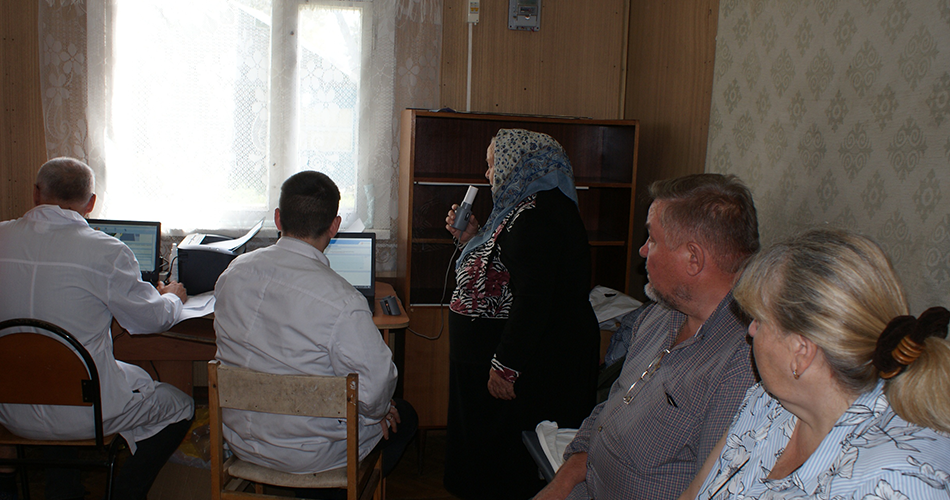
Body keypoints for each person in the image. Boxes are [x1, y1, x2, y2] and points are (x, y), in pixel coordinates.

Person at [534, 173, 760, 500]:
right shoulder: (659, 315)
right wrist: (564, 481)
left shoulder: (744, 366)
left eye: (652, 239)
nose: (642, 250)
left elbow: (712, 491)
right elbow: (611, 409)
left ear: (693, 259)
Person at [679, 229, 950, 500]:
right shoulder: (768, 402)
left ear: (801, 352)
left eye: (759, 320)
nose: (751, 330)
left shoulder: (898, 482)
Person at [0, 157, 194, 500]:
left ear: (36, 194)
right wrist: (172, 297)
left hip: (10, 410)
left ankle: (61, 489)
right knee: (180, 406)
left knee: (56, 376)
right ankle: (124, 493)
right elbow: (151, 321)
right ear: (91, 203)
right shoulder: (106, 250)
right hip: (84, 412)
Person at [213, 171, 416, 492]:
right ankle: (328, 492)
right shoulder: (343, 300)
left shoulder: (232, 274)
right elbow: (377, 389)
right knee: (403, 415)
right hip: (312, 457)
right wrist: (378, 411)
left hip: (241, 441)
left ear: (278, 218)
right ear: (334, 226)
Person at [443, 129, 601, 500]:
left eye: (492, 164)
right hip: (524, 355)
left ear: (518, 162)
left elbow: (534, 297)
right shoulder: (523, 205)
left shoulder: (538, 214)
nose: (488, 174)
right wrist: (472, 237)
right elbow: (505, 264)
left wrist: (506, 365)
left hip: (539, 361)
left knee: (515, 466)